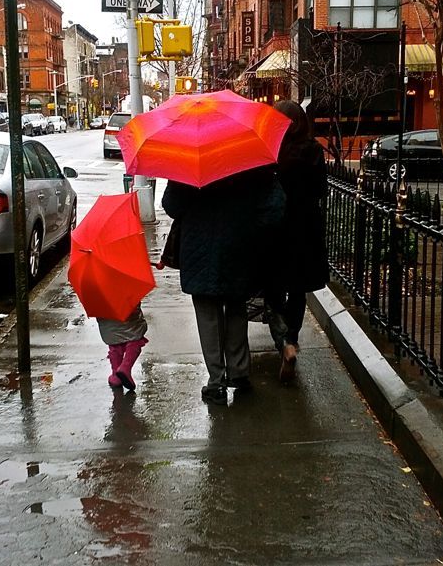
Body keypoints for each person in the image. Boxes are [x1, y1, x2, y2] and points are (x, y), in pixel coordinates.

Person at [162, 166, 285, 405]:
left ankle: (216, 383)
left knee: (208, 317)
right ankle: (238, 373)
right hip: (238, 246)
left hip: (199, 251)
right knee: (237, 308)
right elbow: (274, 208)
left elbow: (172, 206)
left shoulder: (189, 161)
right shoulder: (250, 161)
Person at [263, 100, 328, 383]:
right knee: (298, 290)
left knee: (272, 289)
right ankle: (293, 336)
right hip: (306, 229)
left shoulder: (272, 154)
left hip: (277, 229)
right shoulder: (314, 151)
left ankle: (284, 344)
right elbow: (322, 190)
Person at [98, 304, 148, 392]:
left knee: (114, 340)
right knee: (134, 337)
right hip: (126, 305)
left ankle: (115, 376)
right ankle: (125, 367)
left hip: (104, 309)